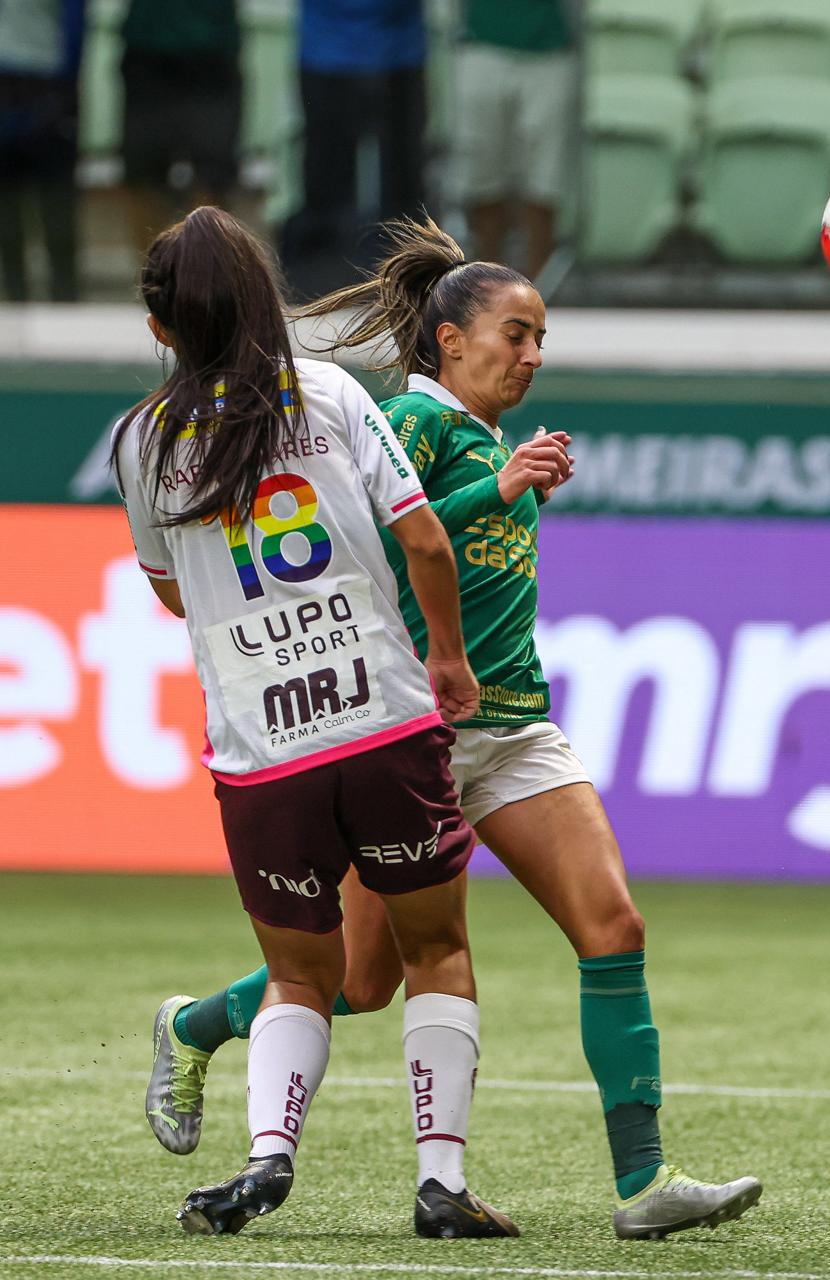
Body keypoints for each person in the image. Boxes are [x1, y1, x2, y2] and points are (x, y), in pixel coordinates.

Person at [150, 216, 762, 1241]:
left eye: (541, 339)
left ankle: (644, 1179)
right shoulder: (409, 420)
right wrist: (500, 488)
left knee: (613, 927)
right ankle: (194, 1023)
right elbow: (378, 555)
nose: (533, 354)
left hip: (513, 728)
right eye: (516, 333)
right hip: (408, 732)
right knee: (360, 979)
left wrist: (503, 478)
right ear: (450, 341)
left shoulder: (482, 439)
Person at [119, 206, 519, 1240]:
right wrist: (447, 659)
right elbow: (423, 539)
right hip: (381, 722)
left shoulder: (142, 440)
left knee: (305, 972)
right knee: (434, 951)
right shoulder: (331, 392)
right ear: (267, 297)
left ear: (161, 328)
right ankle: (440, 1182)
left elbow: (171, 593)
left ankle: (268, 1156)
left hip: (261, 751)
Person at [281, 0, 427, 298]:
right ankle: (320, 295)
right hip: (326, 53)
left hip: (398, 53)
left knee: (402, 196)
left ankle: (406, 295)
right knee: (325, 191)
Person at [453, 0, 576, 280]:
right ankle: (487, 283)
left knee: (545, 178)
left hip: (549, 51)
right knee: (482, 174)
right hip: (481, 44)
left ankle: (538, 287)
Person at [118, 0, 242, 252]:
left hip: (211, 49)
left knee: (212, 175)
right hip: (148, 45)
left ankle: (205, 271)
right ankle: (152, 272)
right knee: (144, 171)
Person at [0, 0, 85, 300]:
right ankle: (15, 295)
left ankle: (64, 295)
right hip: (15, 78)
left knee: (56, 202)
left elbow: (75, 22)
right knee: (8, 203)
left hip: (48, 79)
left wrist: (67, 82)